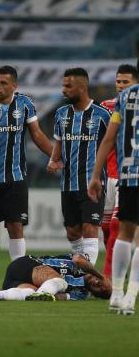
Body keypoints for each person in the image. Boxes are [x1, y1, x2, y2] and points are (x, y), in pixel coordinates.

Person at [0, 65, 53, 293]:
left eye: (3, 83)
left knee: (16, 227)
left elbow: (37, 134)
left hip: (16, 177)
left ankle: (18, 280)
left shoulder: (25, 104)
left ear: (14, 86)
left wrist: (56, 157)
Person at [88, 59, 139, 316]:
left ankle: (117, 294)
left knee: (124, 233)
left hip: (129, 173)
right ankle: (130, 296)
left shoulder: (125, 99)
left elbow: (109, 138)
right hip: (123, 175)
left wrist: (95, 174)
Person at [48, 68, 110, 266]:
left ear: (82, 88)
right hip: (68, 182)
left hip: (93, 182)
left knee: (90, 228)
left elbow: (113, 143)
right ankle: (80, 268)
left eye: (68, 86)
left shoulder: (102, 115)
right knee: (73, 231)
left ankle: (85, 277)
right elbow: (59, 142)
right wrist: (53, 160)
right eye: (63, 85)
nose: (63, 90)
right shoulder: (61, 114)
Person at [100, 65, 138, 277]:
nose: (121, 86)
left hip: (128, 174)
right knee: (106, 229)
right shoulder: (106, 107)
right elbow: (103, 140)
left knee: (117, 225)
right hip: (108, 176)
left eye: (126, 82)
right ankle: (115, 267)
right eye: (119, 81)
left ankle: (110, 279)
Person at [0, 253, 111, 302]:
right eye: (104, 283)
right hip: (27, 265)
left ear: (95, 294)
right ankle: (41, 293)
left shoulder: (81, 294)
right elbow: (78, 259)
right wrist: (99, 275)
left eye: (102, 291)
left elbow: (61, 297)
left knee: (29, 293)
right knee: (61, 282)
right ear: (104, 277)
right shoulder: (85, 264)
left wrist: (53, 296)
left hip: (16, 282)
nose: (100, 285)